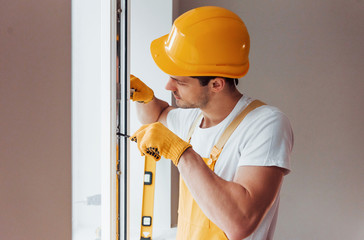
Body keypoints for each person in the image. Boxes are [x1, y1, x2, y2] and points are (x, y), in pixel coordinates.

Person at [130, 6, 293, 240]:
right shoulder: (194, 118)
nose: (168, 87)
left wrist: (182, 154)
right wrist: (145, 98)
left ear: (216, 84)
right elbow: (155, 116)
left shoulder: (266, 124)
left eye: (180, 82)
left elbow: (241, 223)